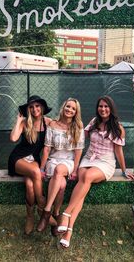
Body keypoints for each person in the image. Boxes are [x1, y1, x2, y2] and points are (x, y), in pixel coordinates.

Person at [57, 95, 134, 248]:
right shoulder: (94, 122)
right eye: (100, 106)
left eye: (106, 106)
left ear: (111, 108)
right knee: (83, 183)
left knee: (86, 177)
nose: (103, 109)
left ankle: (66, 214)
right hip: (88, 158)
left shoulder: (117, 128)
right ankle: (69, 231)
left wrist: (124, 170)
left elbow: (119, 151)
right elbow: (79, 135)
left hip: (105, 162)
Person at [36, 98, 85, 234]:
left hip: (68, 162)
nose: (70, 110)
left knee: (59, 170)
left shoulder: (78, 126)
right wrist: (41, 168)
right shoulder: (53, 124)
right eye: (68, 107)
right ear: (63, 107)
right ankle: (56, 214)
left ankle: (46, 212)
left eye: (73, 109)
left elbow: (78, 151)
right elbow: (46, 149)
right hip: (53, 160)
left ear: (76, 112)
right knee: (61, 185)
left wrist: (75, 170)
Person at [8, 95, 53, 235]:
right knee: (35, 172)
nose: (35, 109)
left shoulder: (48, 122)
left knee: (30, 185)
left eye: (37, 106)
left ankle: (29, 216)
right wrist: (18, 120)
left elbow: (62, 129)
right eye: (31, 107)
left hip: (34, 159)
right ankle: (42, 208)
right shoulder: (25, 123)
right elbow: (13, 138)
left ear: (42, 107)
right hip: (18, 159)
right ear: (28, 109)